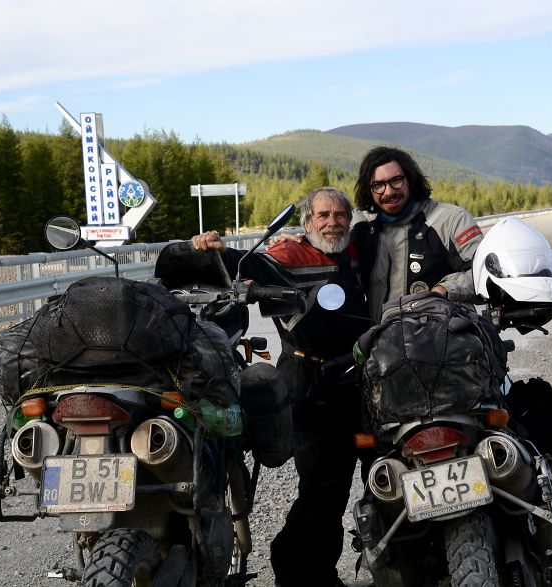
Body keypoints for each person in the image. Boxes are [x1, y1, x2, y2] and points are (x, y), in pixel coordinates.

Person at [191, 187, 370, 587]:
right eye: (322, 215)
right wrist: (217, 251)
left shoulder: (356, 251)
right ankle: (296, 569)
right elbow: (253, 264)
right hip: (310, 381)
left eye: (340, 214)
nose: (332, 222)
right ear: (307, 222)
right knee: (322, 487)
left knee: (360, 478)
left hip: (360, 378)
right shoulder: (292, 252)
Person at [351, 146, 484, 320]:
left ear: (410, 179)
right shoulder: (360, 224)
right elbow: (332, 260)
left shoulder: (450, 219)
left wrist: (446, 289)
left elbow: (484, 271)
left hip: (444, 338)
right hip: (380, 339)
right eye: (378, 185)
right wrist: (305, 243)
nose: (389, 191)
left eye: (396, 180)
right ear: (368, 189)